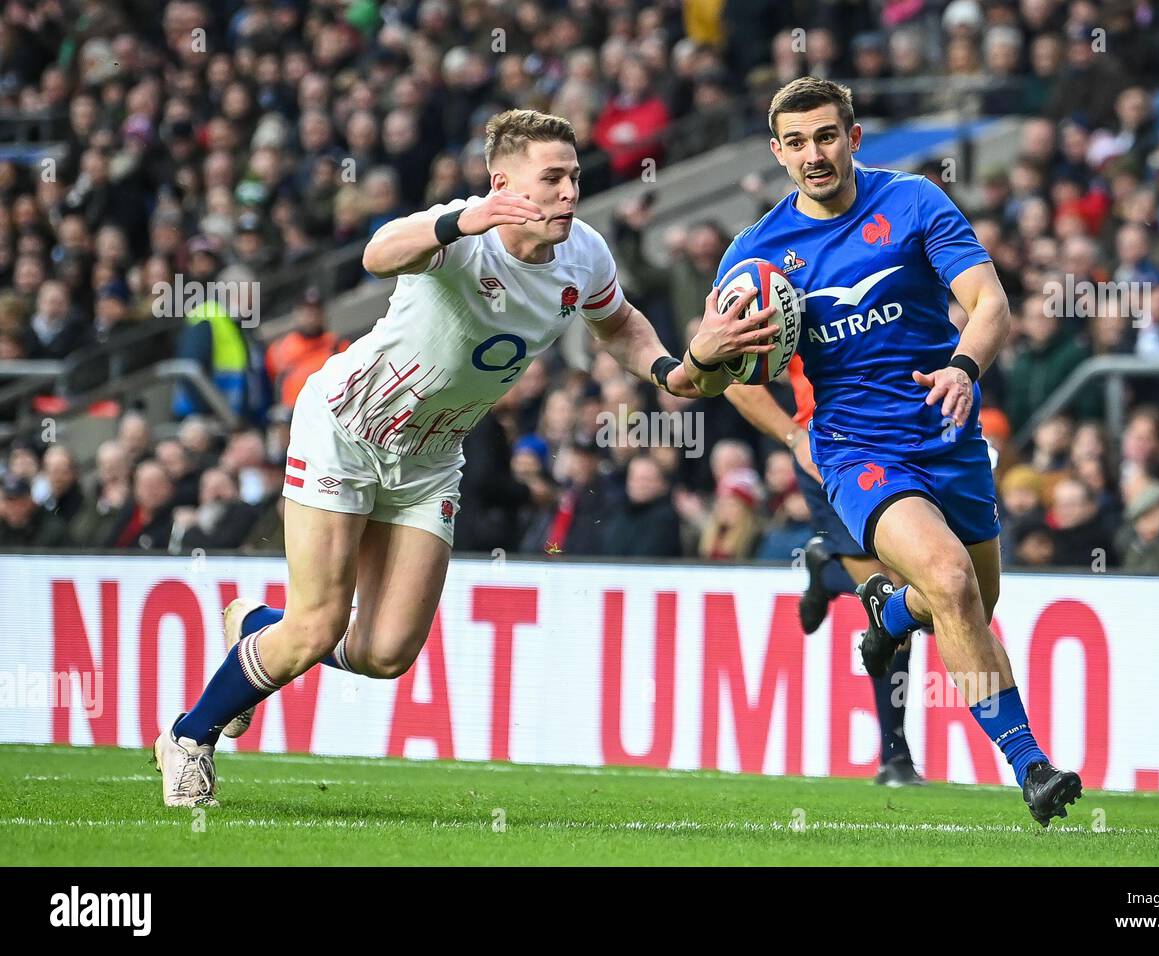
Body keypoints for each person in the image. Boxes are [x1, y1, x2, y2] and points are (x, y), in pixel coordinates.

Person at [153, 109, 775, 807]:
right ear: (503, 183)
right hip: (346, 429)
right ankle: (188, 737)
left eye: (573, 175)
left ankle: (260, 632)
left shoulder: (585, 252)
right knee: (320, 623)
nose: (570, 191)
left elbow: (618, 321)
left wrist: (668, 370)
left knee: (385, 653)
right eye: (553, 178)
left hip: (431, 458)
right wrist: (460, 222)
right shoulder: (463, 231)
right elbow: (378, 252)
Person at [715, 77, 1080, 825]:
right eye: (797, 142)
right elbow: (721, 369)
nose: (814, 154)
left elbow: (989, 301)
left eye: (826, 136)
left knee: (973, 600)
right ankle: (1032, 767)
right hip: (855, 451)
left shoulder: (914, 202)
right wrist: (785, 428)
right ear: (777, 153)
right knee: (950, 581)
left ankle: (884, 616)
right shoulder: (756, 256)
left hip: (949, 435)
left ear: (853, 137)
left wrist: (963, 368)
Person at [726, 352, 923, 786]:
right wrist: (794, 439)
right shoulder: (796, 290)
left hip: (899, 449)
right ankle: (895, 755)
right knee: (889, 596)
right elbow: (730, 376)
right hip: (833, 458)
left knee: (912, 595)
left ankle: (826, 569)